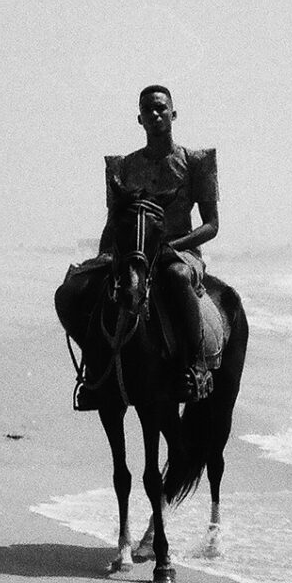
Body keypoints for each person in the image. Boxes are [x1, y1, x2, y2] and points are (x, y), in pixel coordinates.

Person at [55, 85, 220, 408]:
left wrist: (173, 245)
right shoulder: (123, 168)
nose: (155, 114)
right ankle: (94, 372)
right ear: (140, 119)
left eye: (161, 108)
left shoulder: (195, 162)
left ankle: (196, 367)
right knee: (75, 288)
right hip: (134, 252)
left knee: (175, 277)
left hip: (180, 252)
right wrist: (105, 255)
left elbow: (211, 225)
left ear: (173, 114)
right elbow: (114, 221)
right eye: (148, 110)